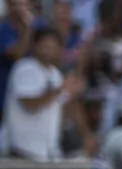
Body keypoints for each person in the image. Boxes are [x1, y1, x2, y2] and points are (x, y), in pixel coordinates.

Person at [2, 27, 78, 161]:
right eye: (45, 44)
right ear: (35, 45)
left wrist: (73, 92)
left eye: (53, 46)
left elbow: (62, 111)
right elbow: (30, 104)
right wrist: (60, 90)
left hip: (47, 152)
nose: (49, 49)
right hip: (21, 149)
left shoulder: (56, 74)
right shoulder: (25, 68)